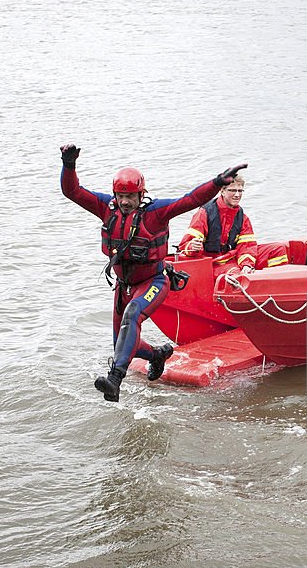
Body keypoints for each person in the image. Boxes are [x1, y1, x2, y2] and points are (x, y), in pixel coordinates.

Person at [60, 143, 246, 402]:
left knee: (133, 316)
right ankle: (158, 354)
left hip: (153, 281)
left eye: (131, 197)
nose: (125, 202)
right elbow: (73, 191)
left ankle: (115, 379)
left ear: (141, 194)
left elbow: (189, 200)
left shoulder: (156, 213)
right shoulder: (106, 208)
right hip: (123, 286)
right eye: (120, 196)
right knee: (124, 343)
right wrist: (69, 165)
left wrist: (216, 183)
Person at [177, 173, 289, 275]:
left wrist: (246, 264)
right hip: (214, 263)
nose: (237, 195)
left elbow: (247, 246)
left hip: (234, 257)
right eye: (232, 190)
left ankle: (277, 286)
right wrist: (193, 246)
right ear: (222, 191)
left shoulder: (242, 217)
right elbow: (185, 245)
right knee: (235, 272)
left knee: (278, 249)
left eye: (240, 191)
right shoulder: (204, 213)